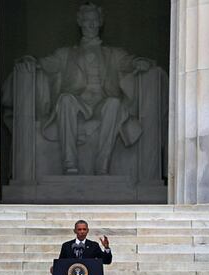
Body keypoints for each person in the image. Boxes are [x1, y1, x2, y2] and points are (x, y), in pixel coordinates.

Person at [16, 3, 152, 175]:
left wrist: (138, 62)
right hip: (77, 103)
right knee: (65, 99)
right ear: (80, 22)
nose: (91, 24)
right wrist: (30, 60)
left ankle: (102, 165)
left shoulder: (113, 54)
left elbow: (129, 61)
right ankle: (69, 163)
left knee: (114, 103)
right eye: (87, 20)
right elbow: (45, 64)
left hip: (102, 103)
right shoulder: (65, 54)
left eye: (95, 20)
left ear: (100, 22)